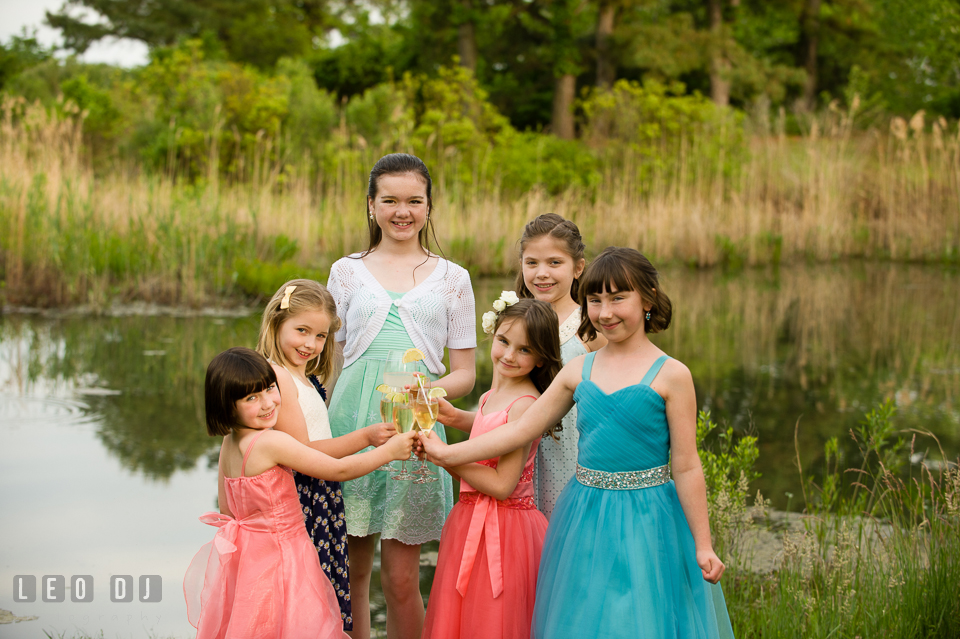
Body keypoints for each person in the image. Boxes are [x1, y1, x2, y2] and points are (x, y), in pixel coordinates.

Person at [421, 248, 735, 639]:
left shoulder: (672, 375)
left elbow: (687, 465)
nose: (605, 312)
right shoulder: (578, 370)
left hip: (649, 516)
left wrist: (703, 544)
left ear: (648, 299)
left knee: (640, 620)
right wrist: (446, 451)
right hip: (584, 513)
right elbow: (518, 431)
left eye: (619, 298)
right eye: (595, 299)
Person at [326, 153, 477, 639]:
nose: (402, 211)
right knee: (350, 570)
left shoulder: (453, 278)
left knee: (401, 577)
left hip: (413, 425)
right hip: (350, 422)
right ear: (371, 205)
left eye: (414, 201)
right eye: (389, 200)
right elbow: (334, 362)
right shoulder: (346, 271)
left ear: (429, 207)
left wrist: (426, 390)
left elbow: (466, 375)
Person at [184, 347, 416, 639]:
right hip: (285, 556)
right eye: (251, 398)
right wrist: (388, 452)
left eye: (270, 388)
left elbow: (227, 510)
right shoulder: (271, 442)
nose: (268, 403)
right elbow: (337, 470)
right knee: (296, 625)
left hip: (248, 559)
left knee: (258, 624)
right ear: (226, 405)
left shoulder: (229, 445)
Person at [256, 279, 398, 631]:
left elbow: (314, 443)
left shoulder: (303, 377)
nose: (311, 344)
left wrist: (367, 436)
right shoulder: (279, 377)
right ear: (276, 323)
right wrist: (364, 437)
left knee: (323, 597)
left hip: (320, 495)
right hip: (303, 500)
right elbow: (304, 453)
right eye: (301, 330)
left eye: (320, 336)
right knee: (308, 601)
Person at [423, 297, 560, 639]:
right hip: (469, 519)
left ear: (541, 357)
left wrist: (446, 456)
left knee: (493, 618)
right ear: (493, 335)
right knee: (462, 615)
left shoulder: (527, 404)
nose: (509, 356)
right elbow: (488, 431)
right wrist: (452, 417)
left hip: (505, 528)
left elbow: (502, 484)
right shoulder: (489, 396)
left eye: (524, 350)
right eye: (503, 342)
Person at [513, 213, 606, 520]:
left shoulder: (589, 326)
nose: (542, 273)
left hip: (570, 451)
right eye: (532, 263)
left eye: (555, 263)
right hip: (519, 450)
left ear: (578, 268)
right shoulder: (515, 321)